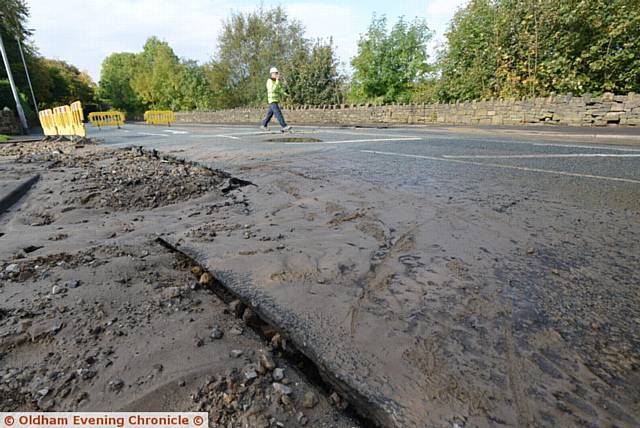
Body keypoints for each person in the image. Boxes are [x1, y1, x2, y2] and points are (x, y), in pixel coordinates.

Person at [261, 67, 291, 132]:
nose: (277, 74)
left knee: (269, 114)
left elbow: (280, 89)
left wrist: (287, 94)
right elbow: (273, 89)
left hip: (275, 100)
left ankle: (264, 124)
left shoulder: (276, 81)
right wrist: (277, 81)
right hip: (272, 100)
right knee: (278, 113)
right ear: (272, 74)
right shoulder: (269, 81)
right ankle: (284, 126)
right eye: (276, 73)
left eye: (277, 73)